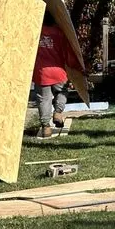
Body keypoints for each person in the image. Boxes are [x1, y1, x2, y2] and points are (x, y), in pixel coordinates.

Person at [33, 11, 74, 139]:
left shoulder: (36, 32)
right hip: (58, 71)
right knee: (62, 92)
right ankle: (58, 112)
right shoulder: (60, 33)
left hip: (41, 72)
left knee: (43, 99)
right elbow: (67, 53)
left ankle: (46, 127)